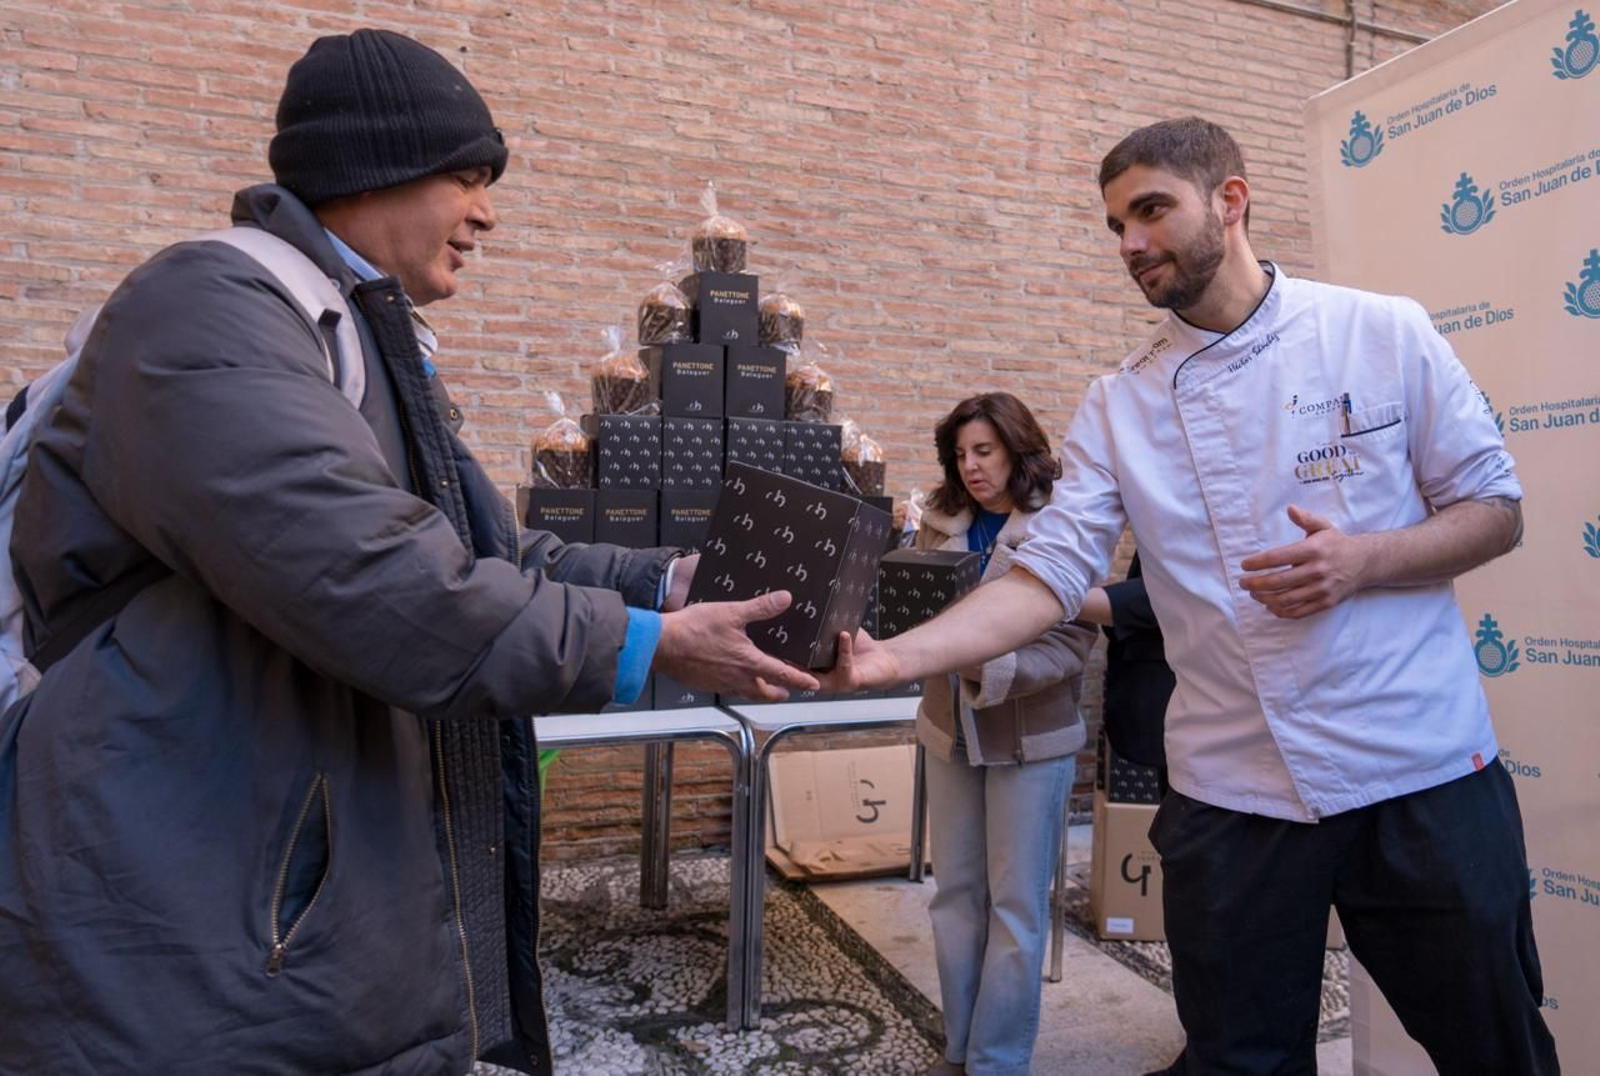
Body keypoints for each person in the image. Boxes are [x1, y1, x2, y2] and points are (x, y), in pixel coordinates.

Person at [0, 29, 814, 1076]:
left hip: (288, 905)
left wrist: (661, 582)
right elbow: (378, 579)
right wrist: (647, 642)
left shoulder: (350, 333)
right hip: (196, 918)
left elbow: (477, 547)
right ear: (372, 167)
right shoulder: (205, 310)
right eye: (466, 178)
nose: (486, 214)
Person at [823, 117, 1559, 1074]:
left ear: (1231, 201)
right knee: (1238, 1061)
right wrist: (892, 657)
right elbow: (1047, 578)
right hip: (1232, 791)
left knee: (1496, 1048)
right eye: (1115, 225)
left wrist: (1364, 561)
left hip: (1417, 766)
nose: (1129, 243)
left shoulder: (1381, 332)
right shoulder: (1120, 403)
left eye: (1151, 211)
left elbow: (1495, 511)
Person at [913, 393, 1096, 1076]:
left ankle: (996, 1063)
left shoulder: (1062, 524)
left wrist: (986, 667)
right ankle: (959, 1050)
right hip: (949, 731)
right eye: (961, 454)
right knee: (955, 898)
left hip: (1030, 742)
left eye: (984, 451)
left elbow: (1074, 643)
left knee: (1016, 909)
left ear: (1018, 449)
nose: (971, 467)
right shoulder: (938, 524)